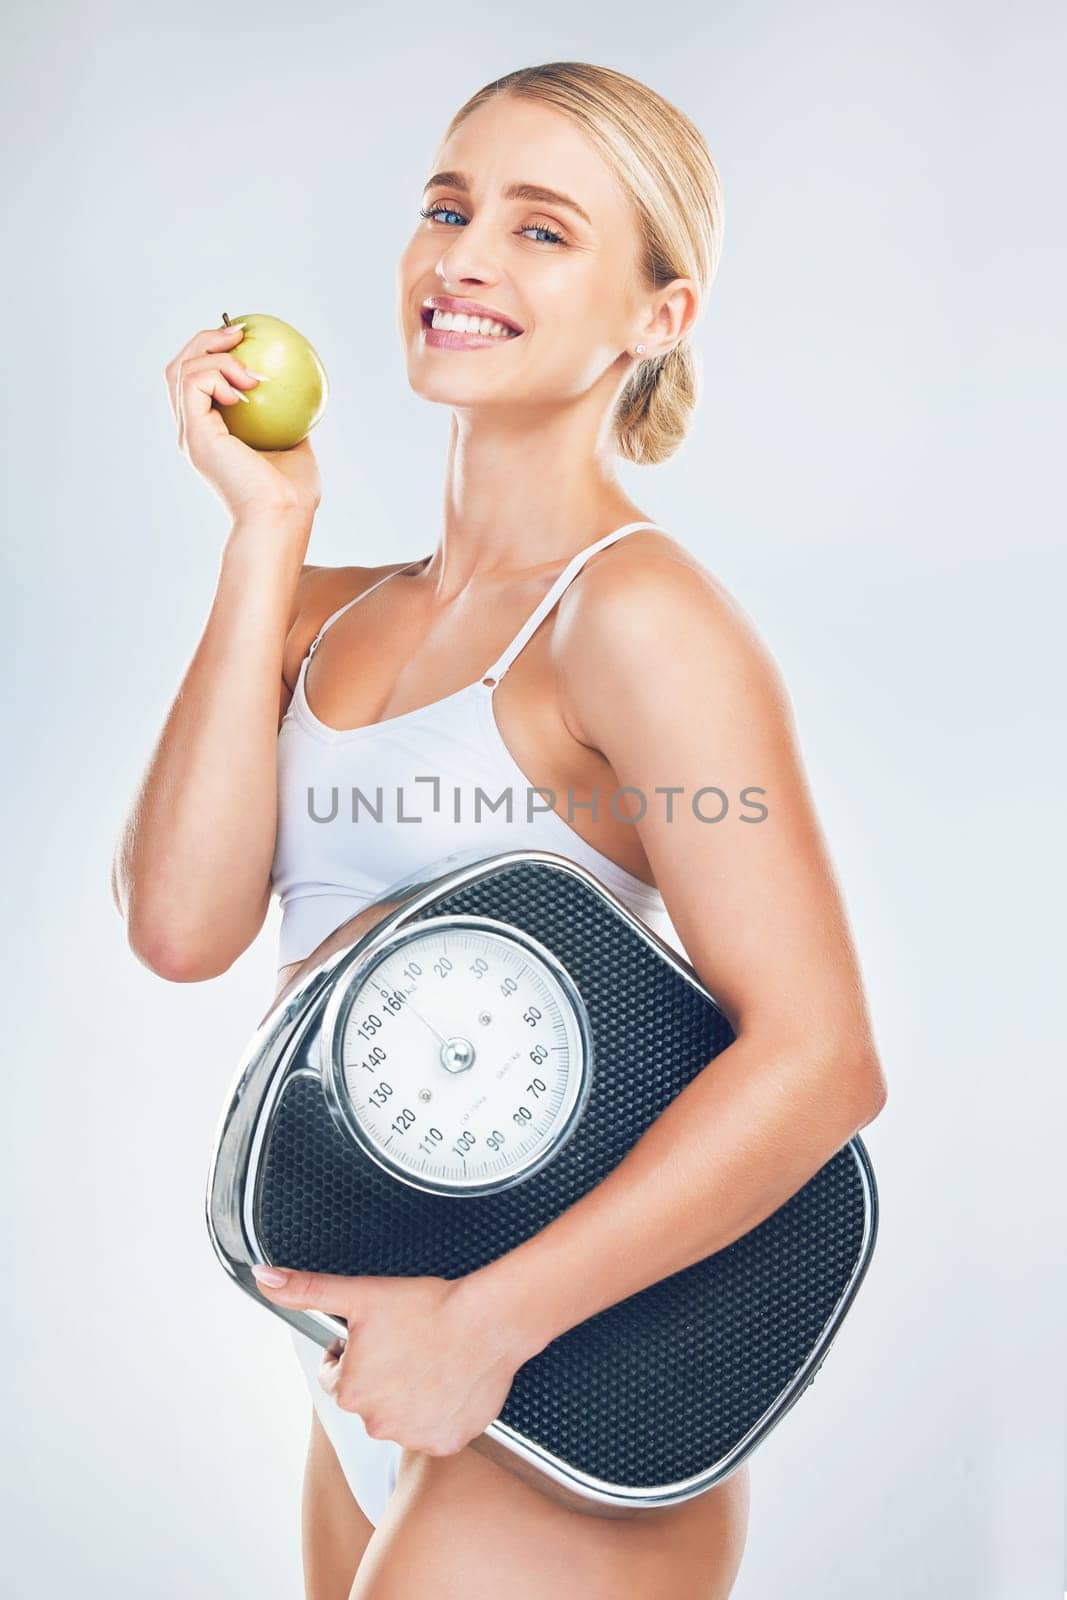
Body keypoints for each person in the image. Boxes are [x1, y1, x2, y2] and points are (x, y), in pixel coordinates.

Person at [112, 59, 887, 1600]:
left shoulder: (636, 618)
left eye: (542, 231)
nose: (462, 257)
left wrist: (485, 1330)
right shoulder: (321, 611)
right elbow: (180, 930)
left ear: (656, 317)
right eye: (448, 208)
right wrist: (268, 538)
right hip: (376, 1358)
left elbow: (821, 1058)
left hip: (567, 1368)